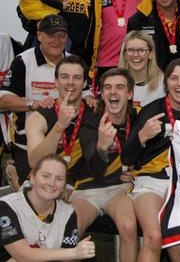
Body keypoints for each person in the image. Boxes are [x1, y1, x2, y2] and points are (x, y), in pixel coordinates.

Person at [122, 58, 180, 262]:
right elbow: (127, 157)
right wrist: (142, 136)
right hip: (151, 182)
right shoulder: (151, 111)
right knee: (154, 236)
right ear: (166, 83)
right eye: (174, 78)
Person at [72, 68, 138, 262]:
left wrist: (138, 171)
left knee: (128, 226)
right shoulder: (90, 122)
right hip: (87, 190)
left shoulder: (138, 118)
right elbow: (95, 169)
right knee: (69, 231)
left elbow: (152, 154)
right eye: (107, 87)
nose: (113, 92)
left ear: (130, 93)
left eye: (120, 87)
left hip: (120, 190)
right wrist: (101, 146)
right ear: (101, 93)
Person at [0, 15, 69, 184]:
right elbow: (3, 99)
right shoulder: (23, 61)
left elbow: (87, 92)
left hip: (66, 144)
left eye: (61, 36)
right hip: (28, 144)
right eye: (51, 35)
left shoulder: (73, 61)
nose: (57, 41)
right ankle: (14, 169)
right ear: (39, 36)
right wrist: (32, 104)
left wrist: (89, 99)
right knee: (34, 193)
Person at [0, 154, 96, 261]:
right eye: (45, 176)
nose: (51, 183)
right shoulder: (6, 206)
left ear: (64, 185)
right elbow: (22, 255)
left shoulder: (68, 213)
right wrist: (73, 253)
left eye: (59, 179)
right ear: (32, 178)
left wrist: (77, 254)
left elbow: (68, 258)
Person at [25, 55, 89, 189]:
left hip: (83, 188)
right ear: (56, 82)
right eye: (64, 77)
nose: (70, 82)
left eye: (77, 78)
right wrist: (59, 127)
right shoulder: (37, 118)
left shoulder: (96, 114)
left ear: (84, 83)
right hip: (45, 184)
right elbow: (35, 162)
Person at [117, 31, 165, 110]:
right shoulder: (114, 84)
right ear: (124, 54)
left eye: (141, 50)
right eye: (131, 50)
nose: (136, 55)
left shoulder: (163, 84)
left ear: (150, 54)